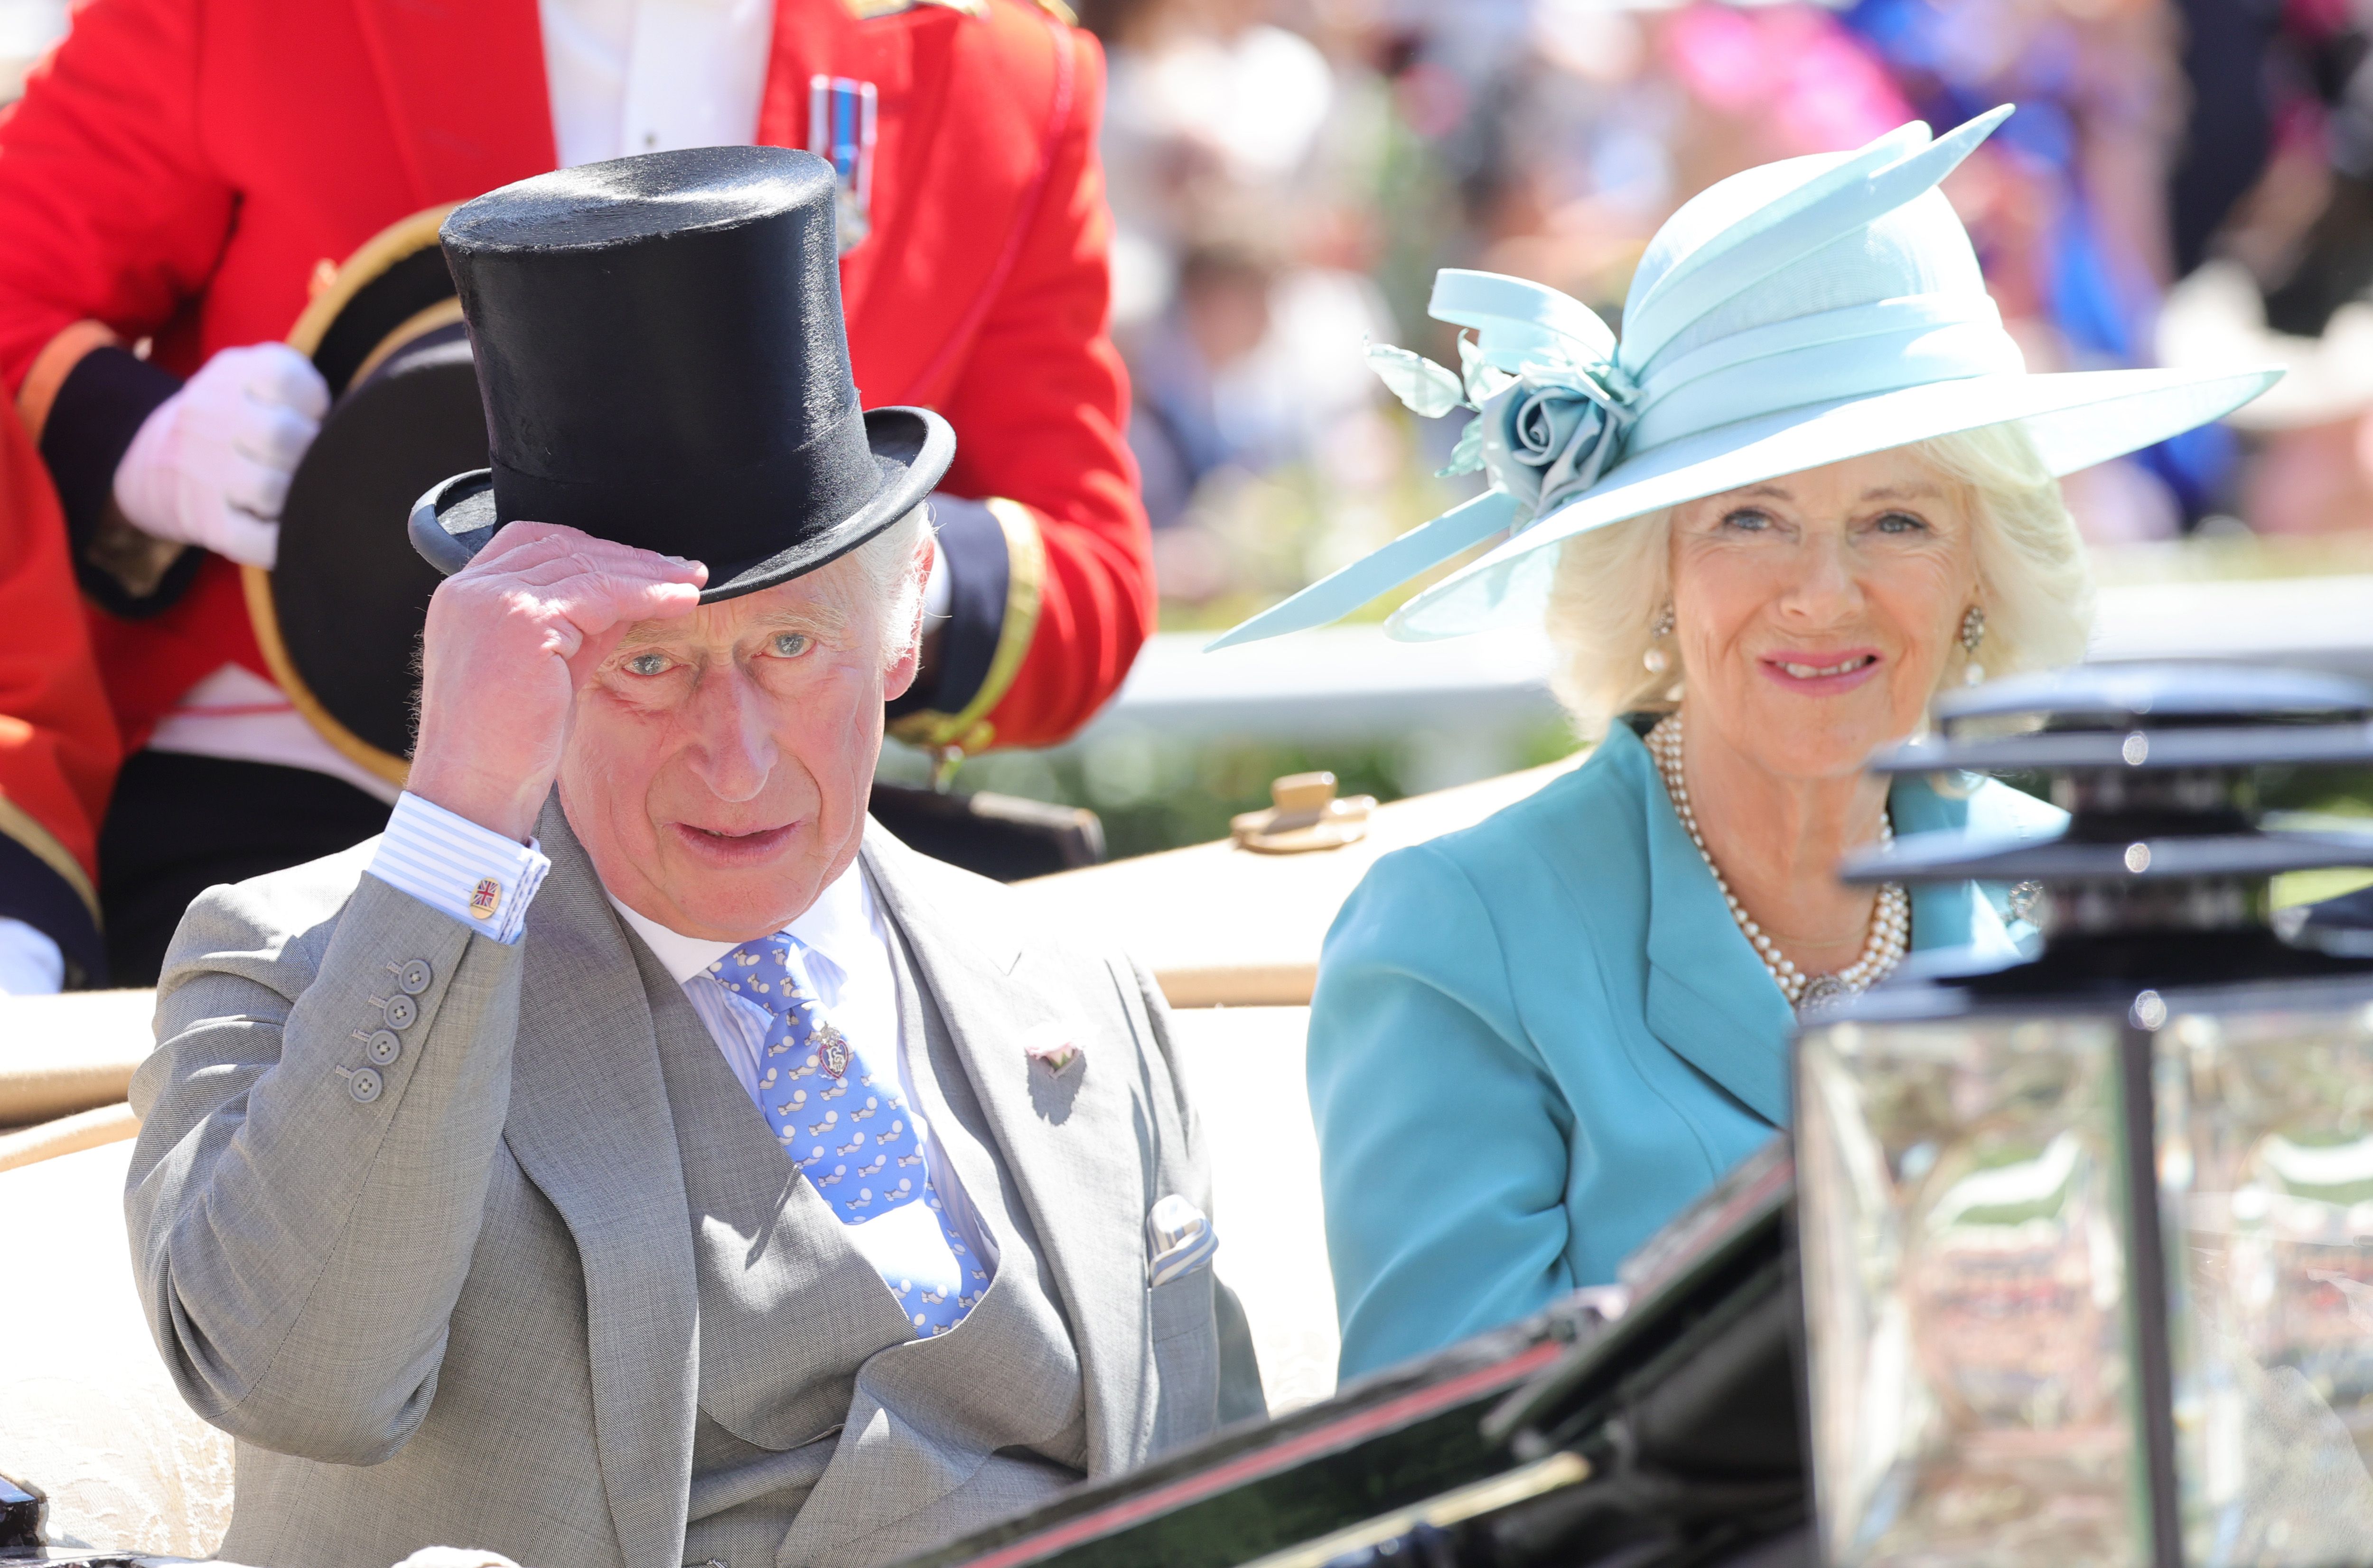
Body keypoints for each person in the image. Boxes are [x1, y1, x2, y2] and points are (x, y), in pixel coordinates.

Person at [125, 149, 1254, 1568]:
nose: (734, 756)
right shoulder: (292, 970)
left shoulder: (1079, 989)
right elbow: (301, 1383)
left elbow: (1235, 1497)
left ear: (904, 616)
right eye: (647, 664)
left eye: (790, 648)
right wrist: (466, 805)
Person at [1212, 108, 2280, 1380]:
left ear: (1978, 572)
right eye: (1750, 520)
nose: (1822, 593)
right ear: (1655, 569)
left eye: (1894, 520)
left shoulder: (2078, 897)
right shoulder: (1460, 938)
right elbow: (1454, 1484)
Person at [0, 0, 1151, 990]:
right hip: (294, 803)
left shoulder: (1001, 65)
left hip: (734, 838)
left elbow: (1090, 578)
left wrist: (857, 555)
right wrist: (136, 437)